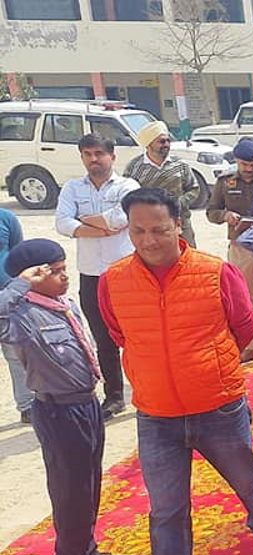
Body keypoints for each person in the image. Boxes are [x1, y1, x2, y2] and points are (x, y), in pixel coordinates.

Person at [99, 187, 253, 555]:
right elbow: (120, 334)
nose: (149, 240)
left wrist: (208, 366)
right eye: (139, 231)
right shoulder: (113, 281)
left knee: (245, 477)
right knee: (166, 509)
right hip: (156, 413)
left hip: (218, 404)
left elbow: (245, 328)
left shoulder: (215, 271)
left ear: (178, 225)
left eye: (159, 230)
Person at [1, 239, 134, 555]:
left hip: (86, 403)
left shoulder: (63, 304)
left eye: (64, 269)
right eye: (54, 272)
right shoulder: (21, 315)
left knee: (89, 484)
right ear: (33, 275)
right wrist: (18, 285)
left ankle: (86, 550)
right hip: (58, 410)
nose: (65, 276)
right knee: (70, 490)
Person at [55, 133, 140, 420]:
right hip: (91, 274)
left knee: (137, 334)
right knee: (103, 339)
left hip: (125, 272)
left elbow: (124, 218)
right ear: (82, 157)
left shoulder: (128, 186)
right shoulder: (72, 188)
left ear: (112, 157)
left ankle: (146, 388)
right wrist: (102, 227)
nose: (94, 159)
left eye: (99, 154)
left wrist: (84, 222)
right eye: (88, 154)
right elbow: (62, 222)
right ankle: (114, 396)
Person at [205, 137, 253, 358]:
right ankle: (251, 345)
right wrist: (225, 215)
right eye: (244, 164)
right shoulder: (225, 181)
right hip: (241, 248)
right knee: (245, 297)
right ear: (236, 161)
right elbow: (211, 212)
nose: (249, 169)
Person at [124, 122, 199, 248]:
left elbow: (194, 189)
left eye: (168, 141)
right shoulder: (134, 167)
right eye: (161, 141)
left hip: (180, 222)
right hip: (149, 226)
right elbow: (128, 196)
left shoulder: (180, 165)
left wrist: (179, 203)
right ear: (149, 144)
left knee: (188, 255)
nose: (166, 145)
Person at [1, 207, 32, 423]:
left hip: (8, 295)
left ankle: (27, 405)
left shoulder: (6, 218)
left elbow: (17, 255)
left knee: (15, 353)